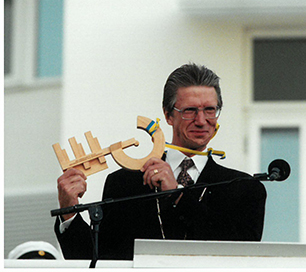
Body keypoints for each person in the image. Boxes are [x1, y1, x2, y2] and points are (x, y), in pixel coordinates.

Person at [54, 63, 267, 260]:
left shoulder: (245, 188)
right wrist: (68, 211)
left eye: (210, 110)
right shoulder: (125, 183)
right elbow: (95, 261)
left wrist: (177, 195)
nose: (201, 121)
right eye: (190, 111)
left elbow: (240, 255)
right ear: (168, 115)